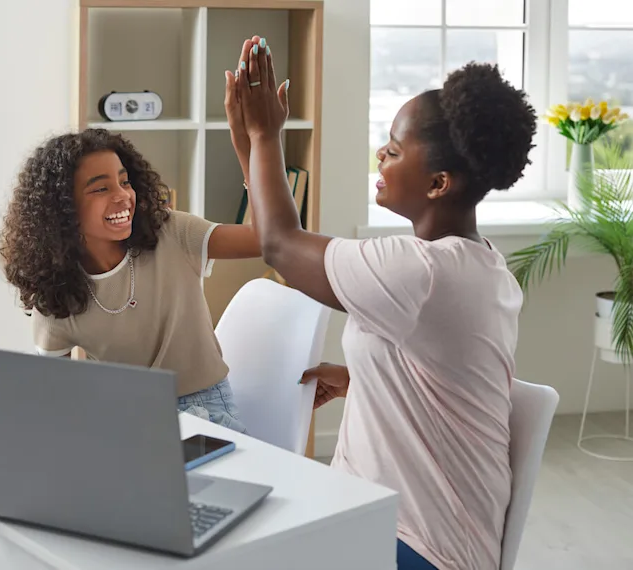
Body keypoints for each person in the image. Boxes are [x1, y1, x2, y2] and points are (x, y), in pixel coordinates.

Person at [229, 36, 536, 570]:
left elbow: (278, 244)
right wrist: (363, 377)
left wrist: (264, 135)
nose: (381, 154)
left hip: (415, 543)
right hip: (416, 527)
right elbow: (445, 371)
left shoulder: (417, 270)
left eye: (393, 151)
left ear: (438, 183)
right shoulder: (481, 266)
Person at [0, 122, 261, 434]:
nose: (123, 196)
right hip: (124, 418)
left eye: (125, 182)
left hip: (205, 411)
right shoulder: (57, 296)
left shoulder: (173, 233)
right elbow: (54, 397)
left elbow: (265, 239)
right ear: (63, 209)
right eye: (101, 188)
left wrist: (250, 150)